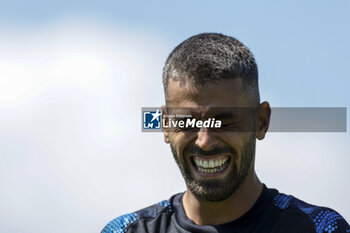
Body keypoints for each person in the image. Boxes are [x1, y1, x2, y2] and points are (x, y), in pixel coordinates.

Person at [101, 33, 349, 233]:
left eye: (224, 121)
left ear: (261, 121)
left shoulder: (320, 228)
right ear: (165, 125)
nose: (205, 141)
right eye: (187, 122)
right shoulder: (126, 231)